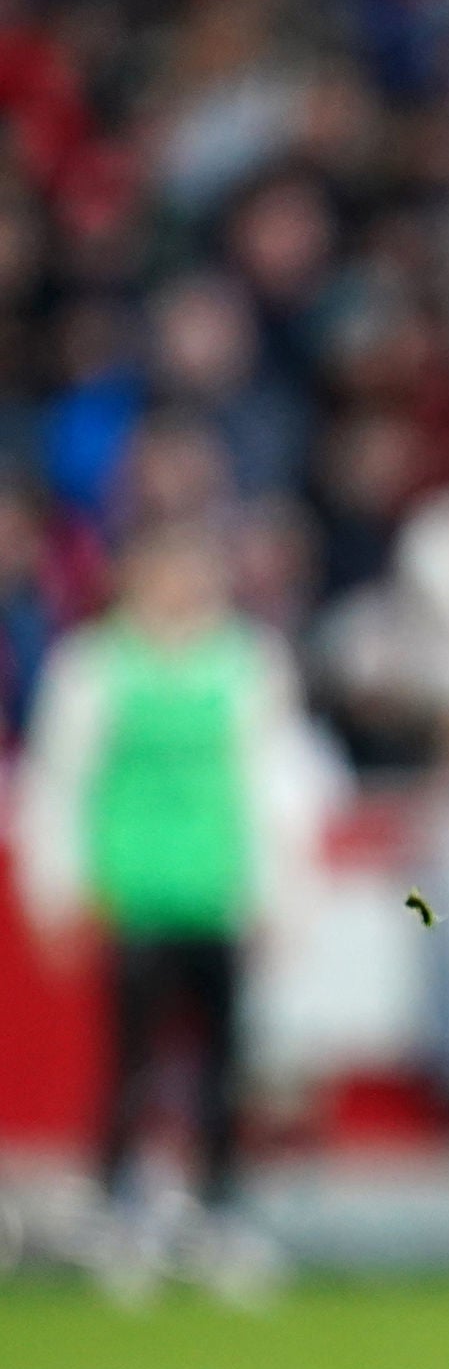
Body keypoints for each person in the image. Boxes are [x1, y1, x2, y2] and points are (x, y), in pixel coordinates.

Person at [13, 514, 323, 1305]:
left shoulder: (245, 663)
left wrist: (276, 894)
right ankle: (117, 1212)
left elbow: (276, 786)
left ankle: (220, 1214)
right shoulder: (95, 668)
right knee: (133, 1063)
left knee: (223, 1066)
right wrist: (58, 887)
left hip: (215, 888)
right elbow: (58, 784)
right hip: (135, 892)